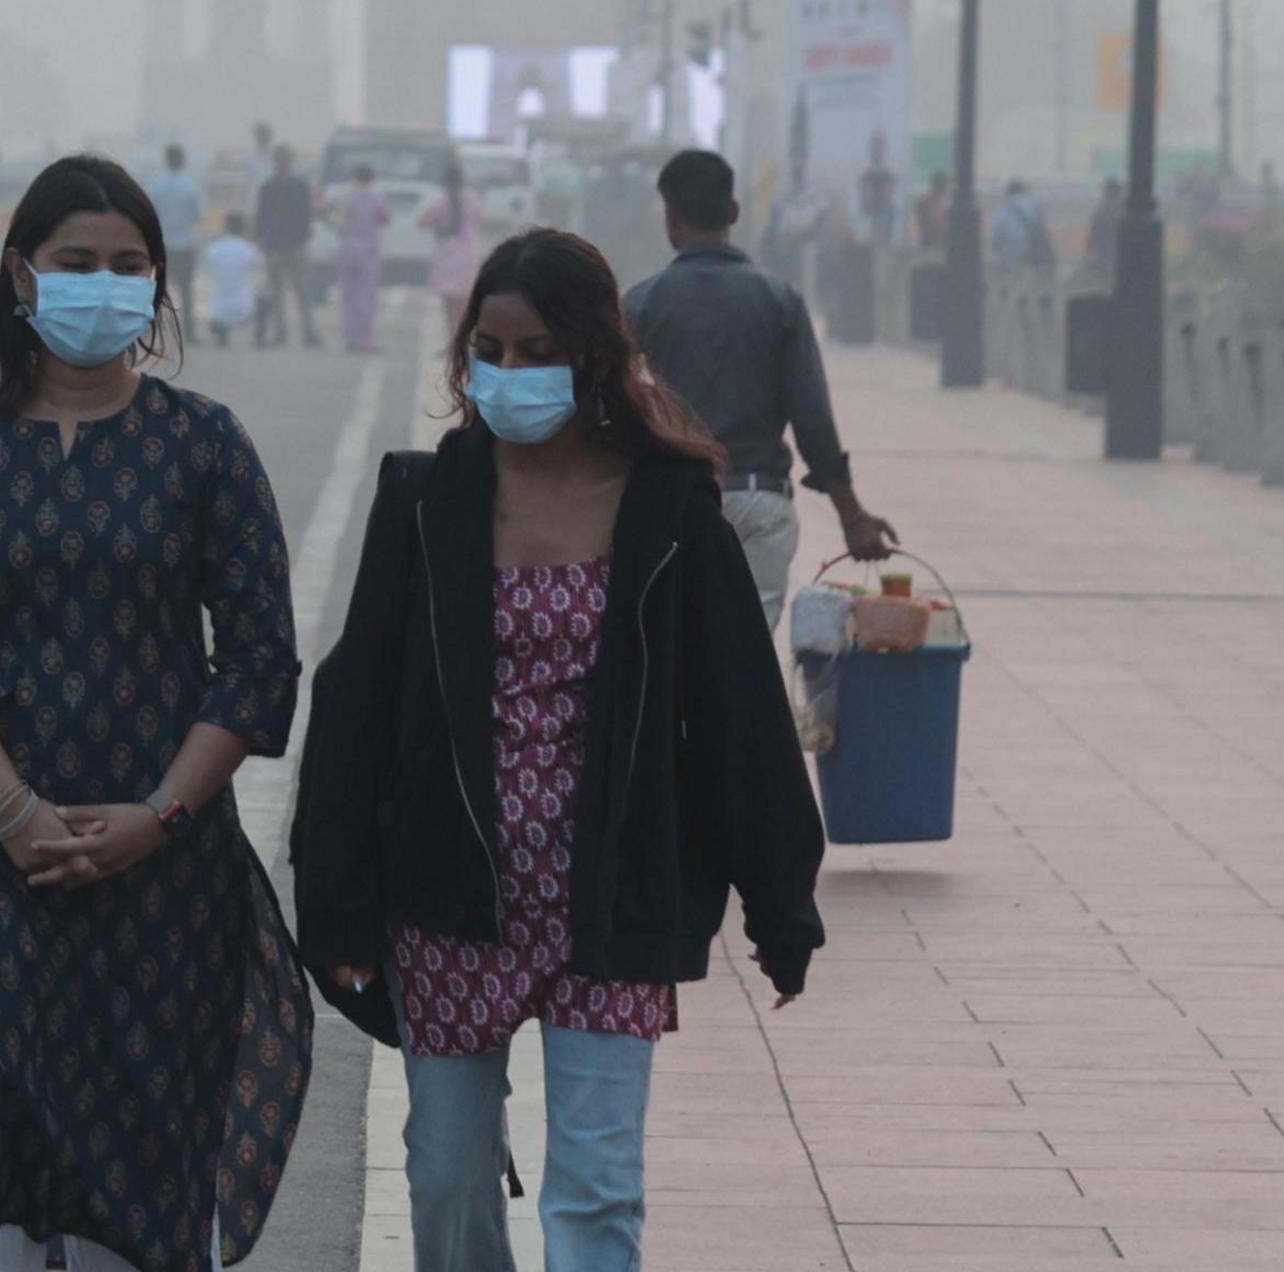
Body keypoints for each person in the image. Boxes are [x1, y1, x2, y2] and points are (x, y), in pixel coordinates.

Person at [292, 227, 826, 1272]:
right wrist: (338, 900)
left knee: (596, 1190)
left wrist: (780, 901)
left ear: (593, 357)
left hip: (611, 899)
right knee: (446, 1176)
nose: (510, 374)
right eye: (489, 351)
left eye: (538, 352)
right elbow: (356, 708)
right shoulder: (425, 503)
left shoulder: (670, 512)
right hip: (450, 899)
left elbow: (741, 716)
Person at [0, 154, 310, 1272]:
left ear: (157, 285)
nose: (103, 285)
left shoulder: (203, 444)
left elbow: (259, 661)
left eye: (128, 266)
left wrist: (158, 816)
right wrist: (13, 810)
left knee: (139, 1125)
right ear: (22, 275)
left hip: (160, 856)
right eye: (77, 262)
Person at [626, 151, 898, 628]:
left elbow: (608, 397)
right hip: (760, 502)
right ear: (733, 213)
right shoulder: (779, 301)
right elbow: (811, 418)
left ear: (671, 218)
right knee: (747, 653)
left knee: (676, 643)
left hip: (676, 501)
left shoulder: (644, 302)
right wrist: (851, 516)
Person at [252, 144, 315, 348]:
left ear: (290, 161)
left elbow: (307, 213)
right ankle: (281, 332)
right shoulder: (267, 187)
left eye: (285, 159)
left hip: (296, 244)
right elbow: (261, 215)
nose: (282, 163)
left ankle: (309, 332)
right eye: (279, 160)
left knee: (303, 291)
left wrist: (304, 236)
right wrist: (261, 239)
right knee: (276, 293)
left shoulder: (300, 186)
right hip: (274, 246)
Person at [331, 163, 391, 354]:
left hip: (347, 248)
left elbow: (328, 211)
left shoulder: (344, 195)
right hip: (369, 250)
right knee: (366, 296)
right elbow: (385, 219)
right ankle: (365, 339)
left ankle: (350, 338)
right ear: (372, 178)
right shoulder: (377, 197)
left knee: (348, 295)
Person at [149, 143, 205, 340]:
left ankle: (156, 332)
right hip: (186, 243)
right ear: (183, 161)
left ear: (167, 161)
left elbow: (152, 213)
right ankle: (190, 332)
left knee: (159, 289)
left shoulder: (157, 186)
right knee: (186, 290)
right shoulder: (191, 186)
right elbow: (197, 215)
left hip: (164, 244)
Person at [419, 156, 480, 337]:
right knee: (463, 301)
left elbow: (422, 220)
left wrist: (439, 226)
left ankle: (452, 338)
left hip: (446, 251)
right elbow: (478, 218)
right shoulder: (471, 197)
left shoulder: (442, 198)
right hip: (466, 250)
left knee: (448, 301)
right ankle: (461, 339)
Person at [201, 209, 264, 351]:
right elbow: (259, 263)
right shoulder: (248, 248)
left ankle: (221, 331)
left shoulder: (214, 248)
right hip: (244, 305)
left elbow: (207, 265)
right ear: (243, 228)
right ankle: (259, 336)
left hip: (219, 307)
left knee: (219, 305)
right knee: (265, 297)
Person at [989, 179, 1056, 275]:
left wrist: (996, 250)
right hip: (1034, 250)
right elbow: (1042, 229)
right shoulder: (1034, 205)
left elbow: (997, 238)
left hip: (1012, 251)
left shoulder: (1002, 209)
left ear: (1008, 193)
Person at [1084, 177, 1126, 287]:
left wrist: (1089, 250)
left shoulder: (1102, 209)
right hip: (1119, 255)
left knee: (1105, 282)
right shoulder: (1124, 210)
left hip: (1104, 255)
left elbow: (1094, 233)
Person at [912, 169, 951, 251]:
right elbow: (923, 223)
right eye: (941, 184)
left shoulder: (945, 204)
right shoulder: (923, 202)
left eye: (944, 185)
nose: (944, 188)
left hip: (940, 244)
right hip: (927, 244)